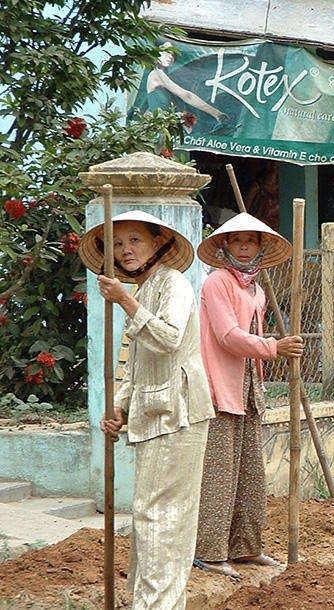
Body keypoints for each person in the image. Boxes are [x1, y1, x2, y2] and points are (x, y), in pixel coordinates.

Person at [81, 210, 213, 610]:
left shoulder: (174, 285)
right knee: (150, 517)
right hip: (155, 413)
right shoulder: (144, 290)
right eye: (117, 244)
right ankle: (148, 601)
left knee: (161, 518)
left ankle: (157, 605)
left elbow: (168, 340)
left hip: (179, 413)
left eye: (135, 240)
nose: (125, 250)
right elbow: (137, 364)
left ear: (160, 242)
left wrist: (123, 300)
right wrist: (120, 407)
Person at [192, 212, 301, 579]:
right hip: (219, 389)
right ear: (223, 245)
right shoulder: (216, 283)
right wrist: (274, 347)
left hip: (249, 390)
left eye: (250, 241)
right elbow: (227, 336)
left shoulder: (256, 289)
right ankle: (208, 550)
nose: (243, 246)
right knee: (220, 474)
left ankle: (245, 548)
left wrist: (269, 352)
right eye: (236, 239)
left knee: (250, 474)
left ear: (260, 247)